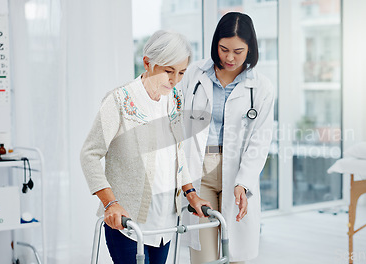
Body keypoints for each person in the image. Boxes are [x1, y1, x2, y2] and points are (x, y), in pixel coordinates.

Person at [80, 30, 211, 264]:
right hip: (128, 221)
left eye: (181, 72)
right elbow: (89, 154)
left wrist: (191, 193)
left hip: (165, 220)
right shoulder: (119, 100)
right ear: (148, 63)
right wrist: (110, 203)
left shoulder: (175, 99)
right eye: (168, 71)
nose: (174, 80)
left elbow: (177, 152)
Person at [177, 12, 275, 264]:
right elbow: (176, 119)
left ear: (250, 48)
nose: (230, 57)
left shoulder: (261, 87)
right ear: (215, 45)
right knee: (203, 257)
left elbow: (260, 141)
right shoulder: (194, 75)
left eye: (238, 51)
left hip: (238, 174)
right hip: (201, 170)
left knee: (236, 254)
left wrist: (243, 182)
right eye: (224, 49)